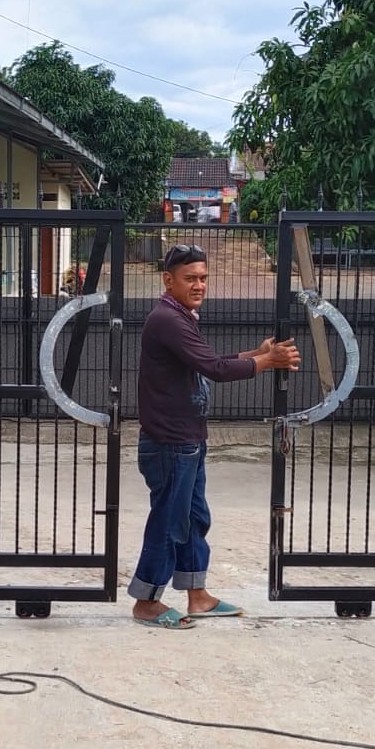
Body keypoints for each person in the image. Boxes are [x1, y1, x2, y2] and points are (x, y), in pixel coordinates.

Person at [130, 243, 300, 628]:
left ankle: (198, 596)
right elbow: (216, 369)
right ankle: (146, 601)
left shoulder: (180, 316)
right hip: (170, 443)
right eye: (190, 278)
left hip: (187, 440)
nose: (199, 285)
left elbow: (208, 363)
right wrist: (267, 360)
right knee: (169, 522)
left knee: (194, 518)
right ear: (168, 280)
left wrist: (255, 354)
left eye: (203, 278)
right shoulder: (167, 319)